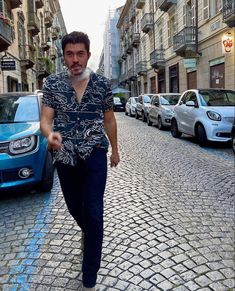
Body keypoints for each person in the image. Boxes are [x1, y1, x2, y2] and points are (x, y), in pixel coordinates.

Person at [40, 31, 120, 291]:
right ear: (63, 56)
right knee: (76, 208)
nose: (75, 59)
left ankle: (89, 278)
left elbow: (109, 118)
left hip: (95, 152)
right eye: (70, 54)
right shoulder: (52, 84)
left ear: (87, 54)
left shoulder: (102, 84)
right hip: (65, 156)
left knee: (94, 214)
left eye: (80, 53)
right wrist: (49, 134)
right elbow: (45, 119)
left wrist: (115, 150)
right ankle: (87, 231)